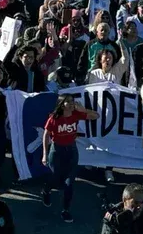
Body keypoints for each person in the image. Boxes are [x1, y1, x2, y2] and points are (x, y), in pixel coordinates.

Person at [41, 94, 100, 223]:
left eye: (73, 101)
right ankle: (46, 190)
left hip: (71, 151)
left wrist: (84, 110)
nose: (72, 104)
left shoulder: (76, 114)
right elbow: (46, 135)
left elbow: (96, 116)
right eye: (68, 102)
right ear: (62, 105)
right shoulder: (53, 118)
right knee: (55, 178)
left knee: (69, 182)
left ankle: (66, 210)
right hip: (57, 151)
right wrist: (45, 154)